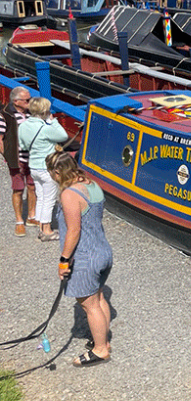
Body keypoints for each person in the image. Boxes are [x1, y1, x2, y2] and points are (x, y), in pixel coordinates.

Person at [47, 151, 113, 366]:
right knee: (99, 298)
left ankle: (100, 350)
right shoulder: (92, 184)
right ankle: (102, 339)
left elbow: (74, 231)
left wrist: (64, 260)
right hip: (103, 251)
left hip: (85, 257)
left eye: (52, 174)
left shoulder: (69, 194)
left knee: (89, 305)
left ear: (58, 172)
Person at [18, 97, 68, 240]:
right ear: (45, 111)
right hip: (48, 168)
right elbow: (63, 135)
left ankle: (41, 226)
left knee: (41, 198)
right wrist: (54, 121)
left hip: (33, 166)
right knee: (49, 200)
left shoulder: (23, 126)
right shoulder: (46, 128)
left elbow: (23, 146)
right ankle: (47, 231)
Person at [0, 87, 37, 236]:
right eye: (27, 100)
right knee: (18, 188)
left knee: (32, 186)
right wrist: (7, 157)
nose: (30, 102)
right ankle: (19, 221)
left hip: (33, 157)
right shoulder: (5, 115)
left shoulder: (32, 113)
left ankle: (31, 216)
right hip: (17, 158)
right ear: (16, 101)